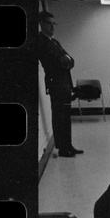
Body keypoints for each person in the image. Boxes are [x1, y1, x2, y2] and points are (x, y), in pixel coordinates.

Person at [36, 11, 82, 157]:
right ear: (41, 24)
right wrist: (65, 59)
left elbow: (71, 60)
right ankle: (62, 148)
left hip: (64, 83)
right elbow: (59, 61)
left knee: (66, 116)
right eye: (49, 23)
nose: (52, 27)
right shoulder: (41, 42)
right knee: (59, 116)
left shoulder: (54, 42)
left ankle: (68, 145)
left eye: (53, 23)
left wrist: (65, 59)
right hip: (56, 84)